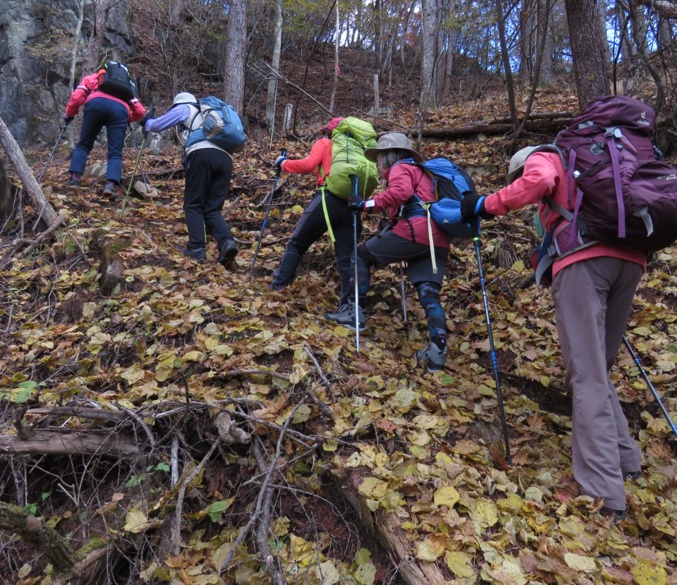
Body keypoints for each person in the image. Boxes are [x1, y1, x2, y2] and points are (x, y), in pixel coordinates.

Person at [460, 146, 646, 518]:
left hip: (586, 262)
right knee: (599, 369)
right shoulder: (592, 169)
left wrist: (485, 204)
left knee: (586, 375)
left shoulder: (546, 157)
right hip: (630, 259)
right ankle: (626, 461)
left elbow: (540, 180)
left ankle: (603, 492)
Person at [345, 133, 450, 372]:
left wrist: (365, 205)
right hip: (438, 239)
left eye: (379, 158)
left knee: (360, 256)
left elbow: (400, 192)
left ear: (387, 156)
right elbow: (408, 200)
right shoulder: (423, 174)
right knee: (428, 294)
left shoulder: (401, 168)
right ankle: (437, 354)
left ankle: (353, 313)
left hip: (415, 231)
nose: (378, 163)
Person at [270, 117, 360, 320]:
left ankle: (279, 286)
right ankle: (349, 307)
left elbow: (309, 164)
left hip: (327, 199)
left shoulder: (325, 143)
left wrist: (284, 164)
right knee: (347, 258)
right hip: (353, 205)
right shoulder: (358, 151)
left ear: (329, 132)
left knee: (297, 243)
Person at [141, 92, 238, 266]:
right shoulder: (210, 114)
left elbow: (156, 126)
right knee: (212, 208)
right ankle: (226, 242)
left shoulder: (185, 108)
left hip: (202, 154)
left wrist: (146, 122)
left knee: (193, 204)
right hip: (226, 159)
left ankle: (196, 248)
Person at [64, 63, 146, 197]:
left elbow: (77, 97)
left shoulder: (93, 78)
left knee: (83, 145)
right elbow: (140, 111)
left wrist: (69, 114)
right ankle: (110, 186)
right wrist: (128, 118)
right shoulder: (126, 87)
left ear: (104, 72)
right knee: (115, 152)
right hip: (120, 110)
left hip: (95, 104)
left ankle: (75, 179)